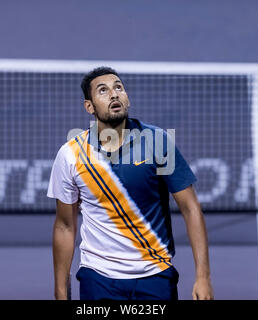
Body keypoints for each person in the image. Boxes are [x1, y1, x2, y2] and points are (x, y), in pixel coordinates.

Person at [47, 66, 213, 300]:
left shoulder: (158, 142)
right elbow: (65, 226)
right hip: (98, 277)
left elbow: (190, 208)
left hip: (155, 275)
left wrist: (203, 277)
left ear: (127, 98)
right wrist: (61, 292)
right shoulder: (70, 155)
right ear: (89, 107)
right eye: (103, 91)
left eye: (119, 88)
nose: (114, 94)